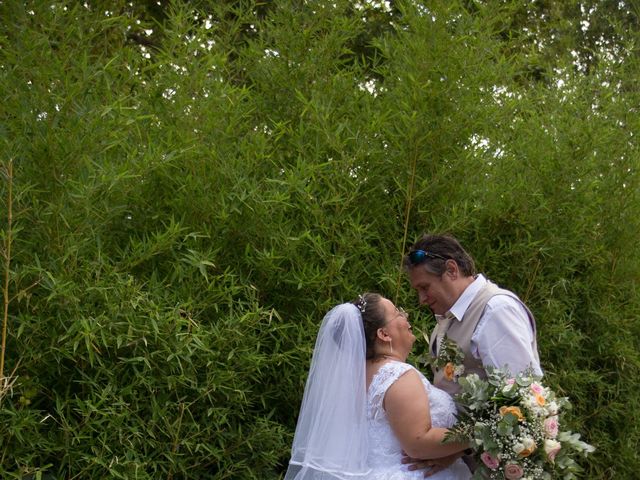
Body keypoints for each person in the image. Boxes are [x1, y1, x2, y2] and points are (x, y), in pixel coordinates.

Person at [284, 293, 471, 480]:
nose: (406, 316)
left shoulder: (354, 378)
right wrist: (480, 434)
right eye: (398, 313)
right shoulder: (398, 375)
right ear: (384, 334)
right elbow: (418, 443)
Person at [401, 233, 542, 474]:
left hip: (496, 467)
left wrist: (458, 449)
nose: (421, 299)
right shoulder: (446, 319)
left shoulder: (496, 310)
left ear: (452, 270)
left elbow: (519, 402)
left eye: (424, 287)